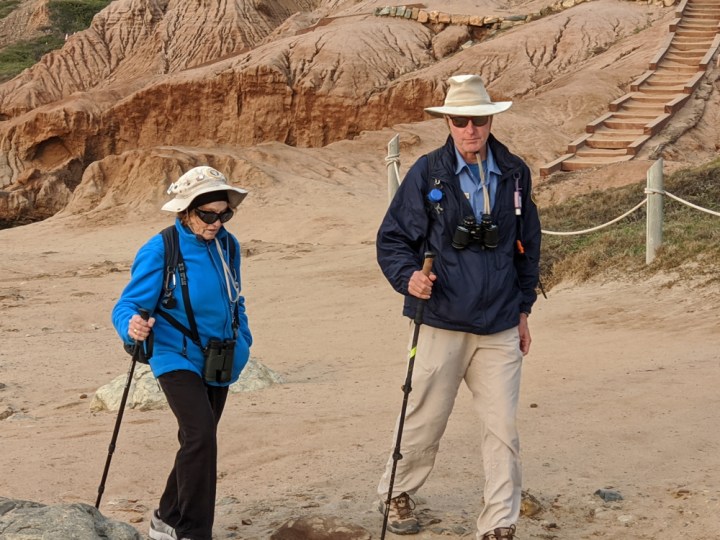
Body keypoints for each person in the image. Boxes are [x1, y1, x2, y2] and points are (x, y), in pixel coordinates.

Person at [375, 74, 541, 540]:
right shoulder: (427, 173)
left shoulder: (514, 172)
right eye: (461, 120)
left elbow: (529, 244)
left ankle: (499, 522)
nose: (471, 129)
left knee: (502, 427)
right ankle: (396, 492)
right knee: (424, 419)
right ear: (447, 122)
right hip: (441, 319)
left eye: (480, 120)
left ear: (490, 121)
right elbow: (392, 240)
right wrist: (408, 278)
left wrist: (524, 308)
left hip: (501, 324)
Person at [111, 166, 253, 540]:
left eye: (225, 214)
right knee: (201, 435)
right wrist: (132, 325)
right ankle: (193, 531)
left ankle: (166, 515)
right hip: (174, 354)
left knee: (196, 441)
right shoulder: (161, 248)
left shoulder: (228, 245)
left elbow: (235, 298)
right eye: (208, 215)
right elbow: (127, 305)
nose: (217, 222)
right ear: (186, 212)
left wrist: (244, 340)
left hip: (219, 357)